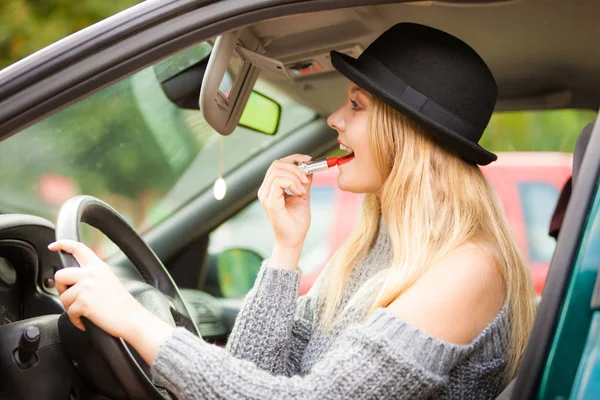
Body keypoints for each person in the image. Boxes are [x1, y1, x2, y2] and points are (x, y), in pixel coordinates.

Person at [49, 23, 537, 399]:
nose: (335, 119)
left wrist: (136, 322)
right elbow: (254, 373)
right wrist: (286, 248)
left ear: (406, 132)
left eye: (357, 105)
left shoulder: (466, 270)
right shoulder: (379, 245)